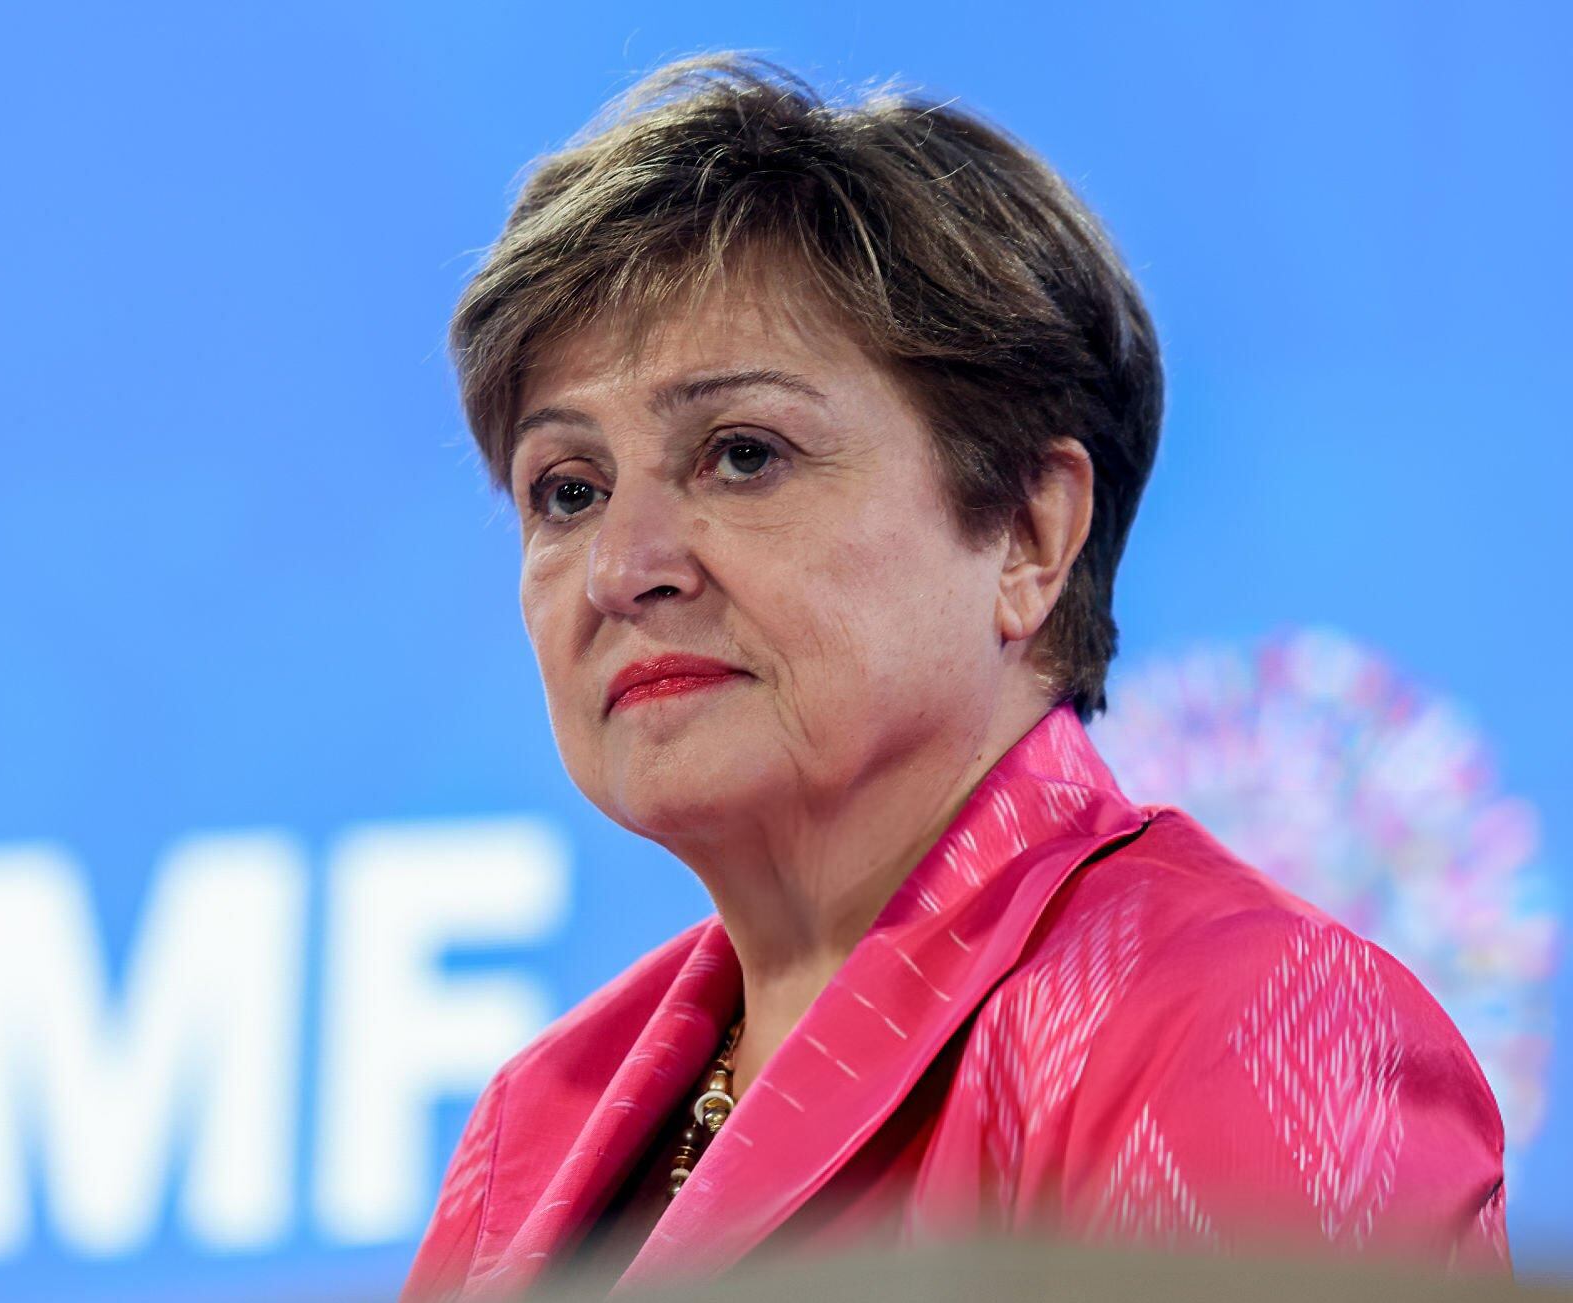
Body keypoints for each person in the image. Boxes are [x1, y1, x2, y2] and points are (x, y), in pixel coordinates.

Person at [404, 56, 1507, 1299]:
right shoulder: (532, 1128)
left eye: (742, 454)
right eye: (567, 490)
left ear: (1029, 535)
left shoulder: (1232, 1021)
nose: (621, 567)